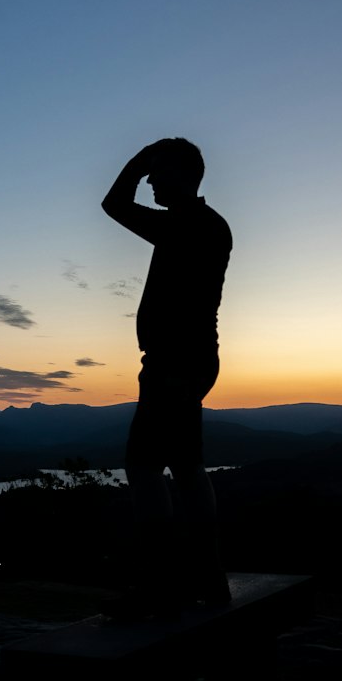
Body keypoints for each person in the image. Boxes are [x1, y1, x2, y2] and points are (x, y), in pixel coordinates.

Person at [101, 137, 233, 616]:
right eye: (149, 173)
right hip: (191, 359)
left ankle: (163, 584)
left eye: (158, 172)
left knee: (142, 467)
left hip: (174, 361)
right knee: (186, 468)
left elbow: (113, 204)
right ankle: (207, 576)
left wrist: (136, 159)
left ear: (182, 173)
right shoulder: (203, 224)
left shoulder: (188, 224)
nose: (151, 181)